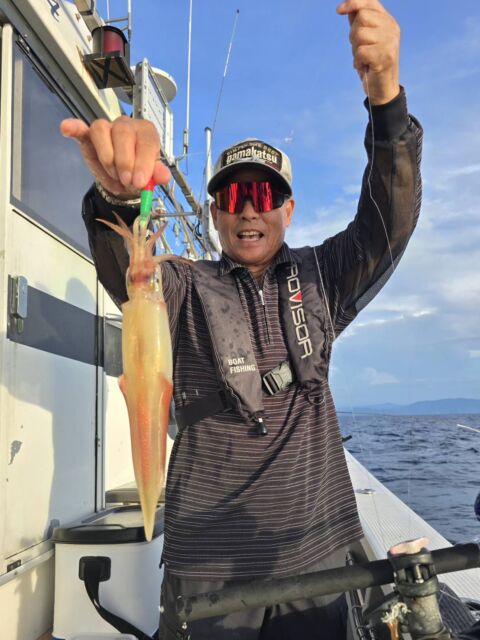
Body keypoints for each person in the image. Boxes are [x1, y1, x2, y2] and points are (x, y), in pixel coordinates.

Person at [61, 1, 423, 637]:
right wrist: (116, 194)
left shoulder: (323, 276)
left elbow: (387, 223)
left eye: (263, 194)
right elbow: (127, 271)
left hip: (315, 558)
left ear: (287, 210)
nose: (248, 209)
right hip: (208, 571)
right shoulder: (182, 285)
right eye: (232, 195)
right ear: (216, 213)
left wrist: (386, 100)